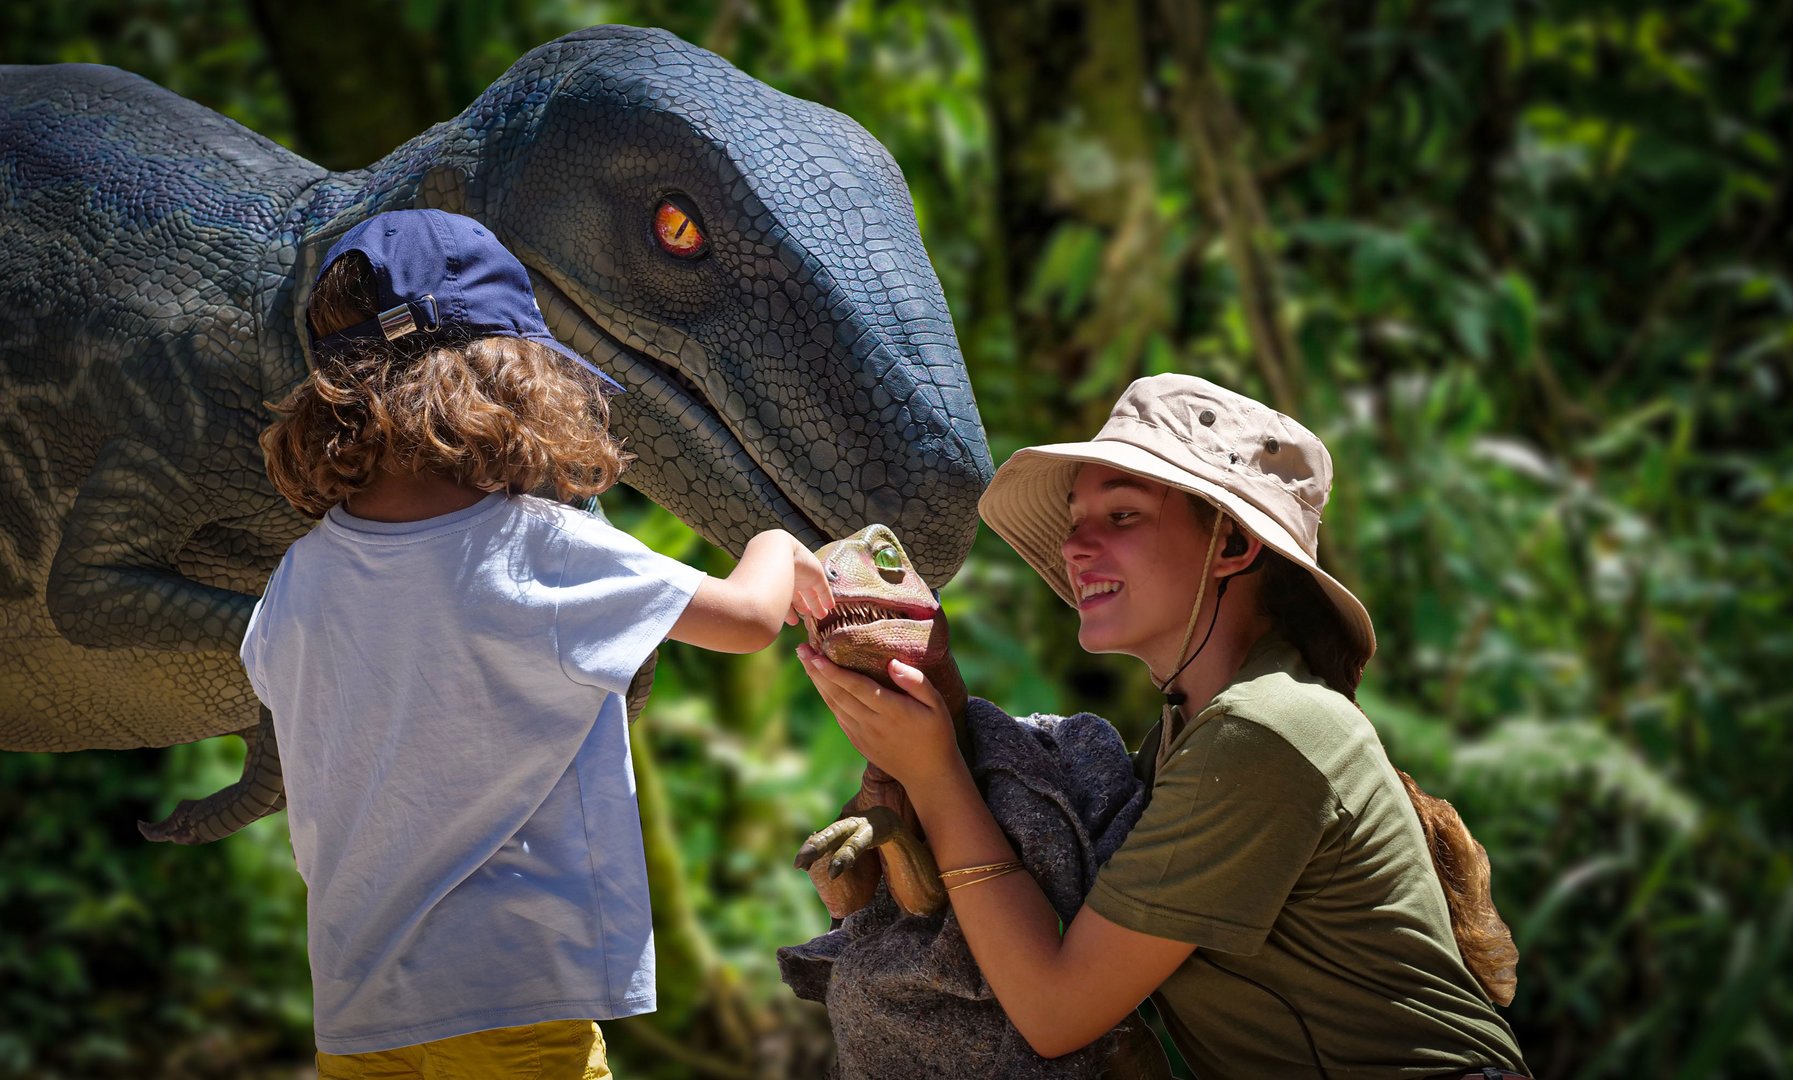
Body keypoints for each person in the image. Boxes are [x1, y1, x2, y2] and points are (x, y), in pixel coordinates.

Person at [799, 374, 1529, 1078]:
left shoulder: (1265, 731)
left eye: (1121, 516)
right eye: (1075, 522)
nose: (1075, 547)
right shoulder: (1183, 740)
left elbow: (1053, 1011)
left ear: (1233, 546)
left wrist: (935, 774)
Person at [242, 208, 833, 1078]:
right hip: (512, 993)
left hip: (359, 1010)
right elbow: (746, 620)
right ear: (508, 377)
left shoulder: (301, 575)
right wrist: (778, 546)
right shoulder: (529, 544)